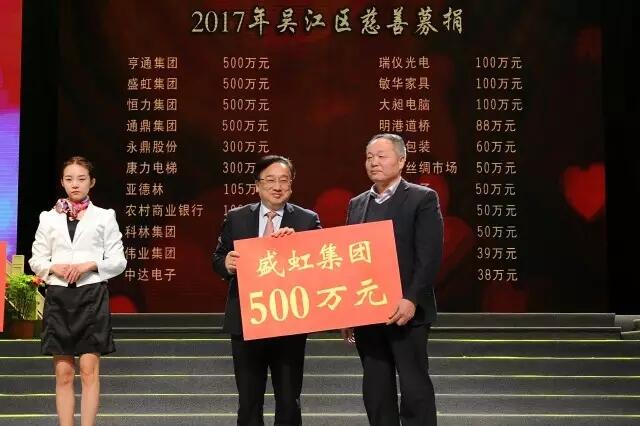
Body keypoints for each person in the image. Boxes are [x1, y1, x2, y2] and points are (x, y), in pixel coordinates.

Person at [342, 134, 443, 425]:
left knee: (414, 387)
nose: (373, 162)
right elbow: (349, 258)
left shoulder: (422, 198)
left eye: (381, 156)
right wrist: (347, 311)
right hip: (368, 311)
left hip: (407, 311)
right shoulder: (357, 203)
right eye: (369, 157)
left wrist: (411, 298)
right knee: (376, 388)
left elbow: (429, 255)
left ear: (401, 161)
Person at [213, 155, 321, 426]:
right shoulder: (236, 218)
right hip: (247, 320)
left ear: (291, 185)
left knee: (289, 398)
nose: (277, 186)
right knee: (249, 399)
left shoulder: (307, 220)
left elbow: (322, 262)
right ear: (257, 185)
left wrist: (299, 246)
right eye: (270, 180)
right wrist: (226, 264)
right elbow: (218, 257)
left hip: (289, 320)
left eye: (284, 180)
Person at [28, 156, 127, 426]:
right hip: (59, 298)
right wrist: (54, 267)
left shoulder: (104, 216)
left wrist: (90, 265)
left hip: (91, 296)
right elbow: (36, 260)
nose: (75, 184)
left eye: (81, 179)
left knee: (88, 370)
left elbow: (118, 261)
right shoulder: (48, 218)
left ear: (91, 182)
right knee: (63, 373)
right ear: (62, 182)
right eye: (69, 179)